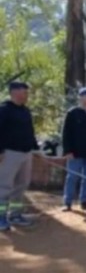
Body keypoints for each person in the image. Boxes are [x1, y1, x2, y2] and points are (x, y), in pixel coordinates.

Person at [0, 81, 38, 231]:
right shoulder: (4, 110)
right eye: (24, 92)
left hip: (25, 153)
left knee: (21, 186)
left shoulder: (25, 110)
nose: (26, 95)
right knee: (4, 186)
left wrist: (35, 148)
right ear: (14, 92)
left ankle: (15, 214)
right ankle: (1, 216)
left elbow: (30, 131)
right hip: (9, 154)